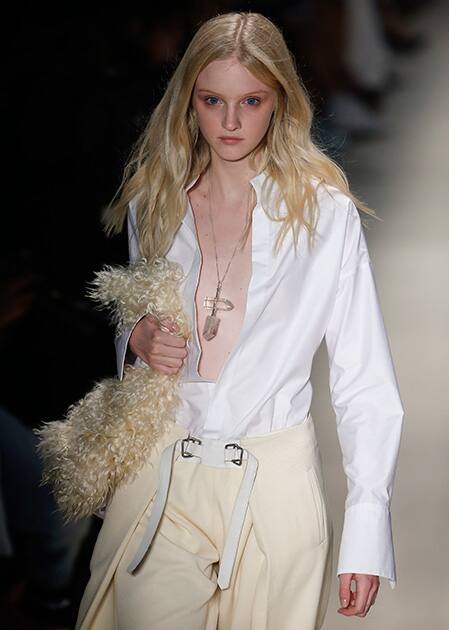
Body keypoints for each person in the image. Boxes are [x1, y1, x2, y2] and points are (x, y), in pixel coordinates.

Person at [75, 11, 404, 630]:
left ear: (279, 101)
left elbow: (364, 381)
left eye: (251, 101)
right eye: (212, 100)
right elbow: (136, 315)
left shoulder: (324, 216)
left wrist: (366, 528)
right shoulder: (157, 203)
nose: (230, 122)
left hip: (274, 484)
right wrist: (136, 338)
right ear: (188, 101)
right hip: (164, 473)